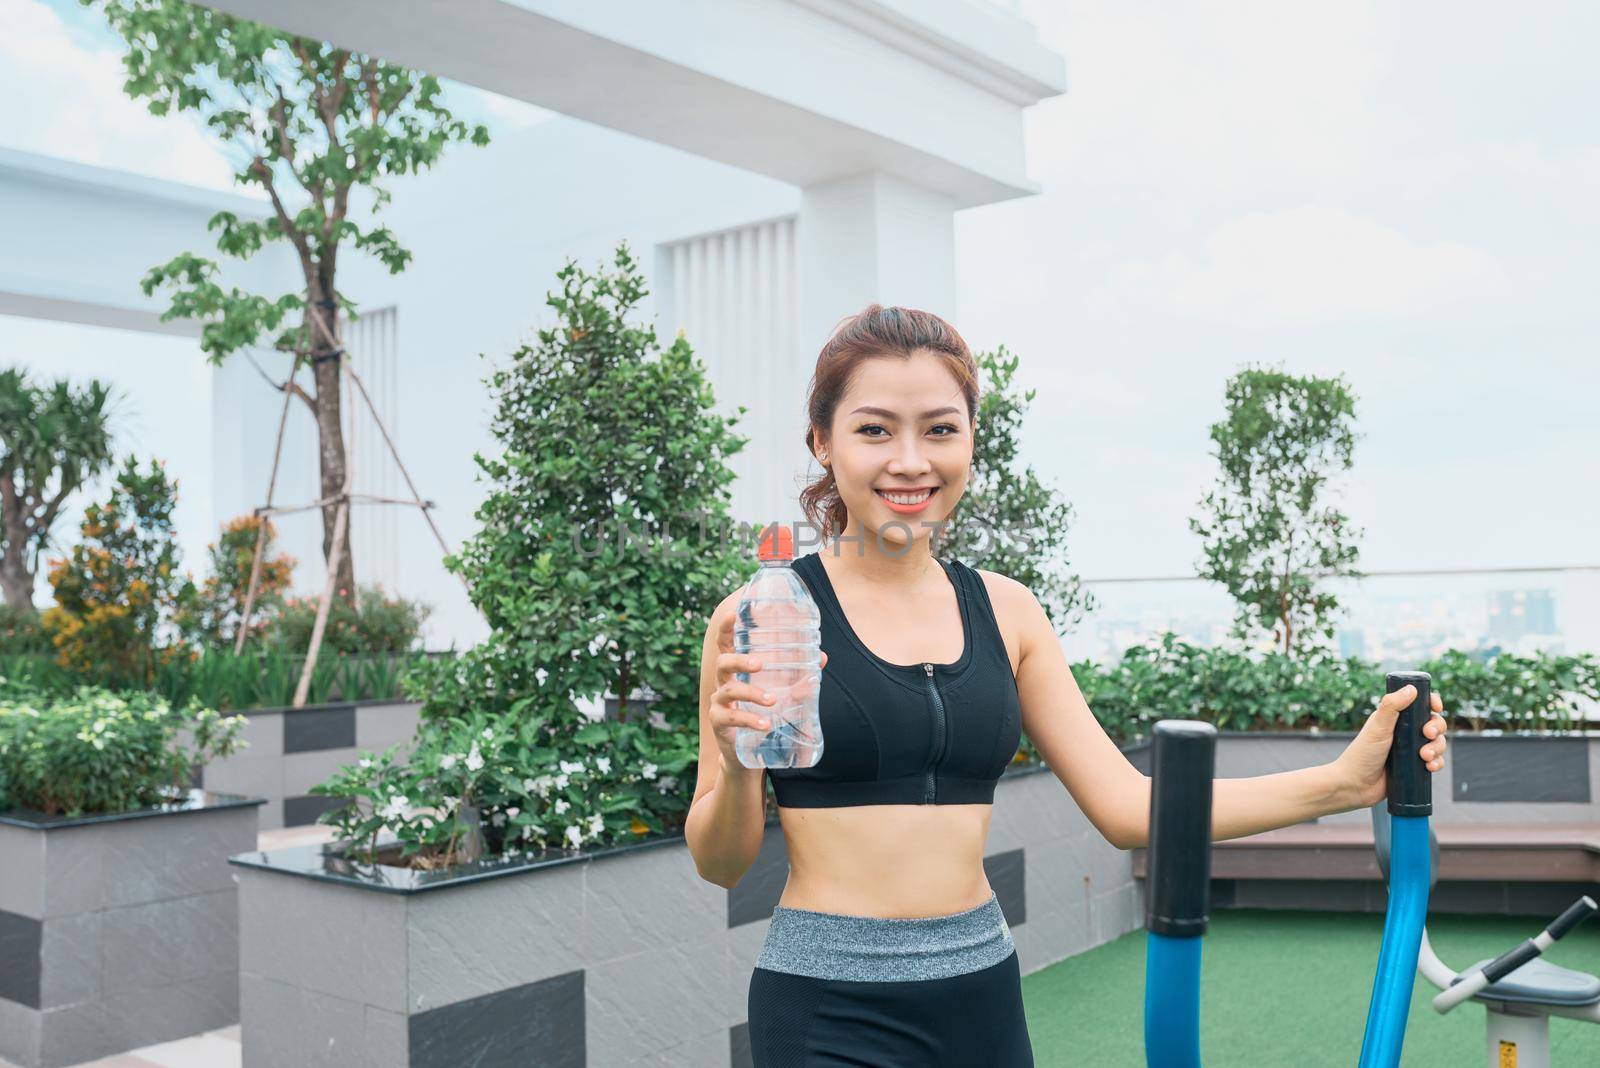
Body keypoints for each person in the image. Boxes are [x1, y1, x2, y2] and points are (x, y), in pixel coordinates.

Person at [683, 305, 1450, 1066]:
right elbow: (720, 861)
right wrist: (738, 754)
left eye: (941, 429)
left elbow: (1126, 808)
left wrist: (1346, 783)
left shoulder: (1008, 612)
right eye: (875, 429)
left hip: (980, 995)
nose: (911, 460)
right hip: (825, 1004)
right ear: (824, 440)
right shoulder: (761, 617)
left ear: (971, 440)